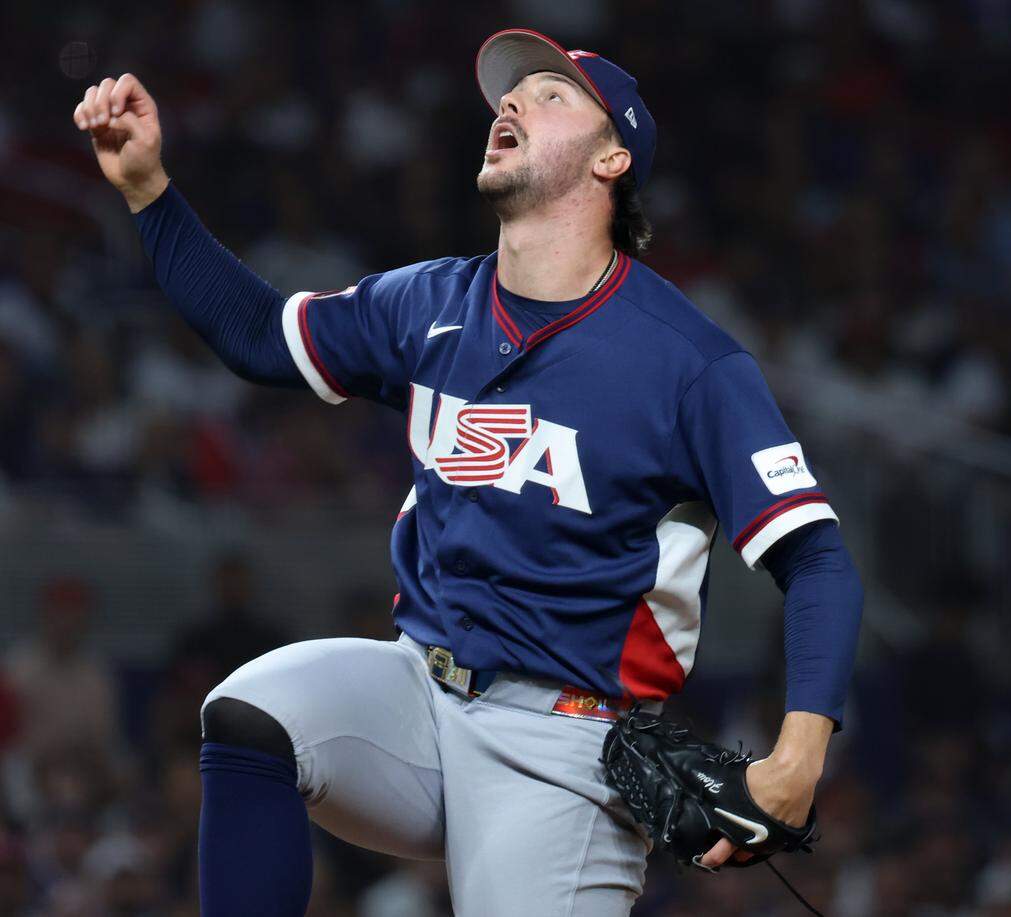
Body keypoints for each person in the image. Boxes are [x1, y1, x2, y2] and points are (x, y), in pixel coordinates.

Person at [72, 28, 863, 917]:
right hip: (419, 692)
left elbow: (818, 559)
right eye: (510, 94)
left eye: (552, 94)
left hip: (567, 746)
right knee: (250, 715)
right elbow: (260, 336)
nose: (513, 103)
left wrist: (798, 756)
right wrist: (147, 190)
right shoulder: (431, 301)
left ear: (614, 157)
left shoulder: (689, 362)